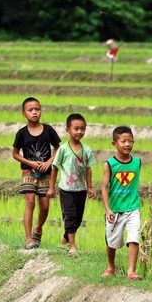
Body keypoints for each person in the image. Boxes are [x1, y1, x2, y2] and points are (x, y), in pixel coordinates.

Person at [12, 97, 61, 249]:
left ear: (41, 111)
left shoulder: (48, 130)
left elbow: (58, 148)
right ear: (23, 113)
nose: (34, 112)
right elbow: (15, 153)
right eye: (30, 110)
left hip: (46, 173)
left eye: (37, 109)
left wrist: (49, 162)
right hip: (28, 171)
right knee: (30, 202)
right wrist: (30, 163)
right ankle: (28, 239)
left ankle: (38, 228)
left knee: (45, 206)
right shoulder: (21, 133)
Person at [47, 113, 96, 257]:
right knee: (70, 216)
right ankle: (73, 245)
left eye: (82, 129)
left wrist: (90, 187)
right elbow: (55, 168)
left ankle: (64, 240)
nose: (79, 131)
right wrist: (51, 187)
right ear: (68, 130)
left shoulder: (86, 149)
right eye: (76, 128)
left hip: (80, 190)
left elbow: (88, 169)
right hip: (66, 190)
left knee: (78, 218)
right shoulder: (63, 149)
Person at [101, 126, 143, 280]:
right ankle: (111, 266)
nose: (127, 144)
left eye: (130, 141)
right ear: (114, 144)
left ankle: (131, 271)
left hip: (133, 207)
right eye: (123, 141)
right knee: (112, 241)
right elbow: (104, 187)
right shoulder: (109, 164)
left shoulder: (137, 162)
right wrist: (108, 209)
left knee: (134, 237)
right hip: (115, 209)